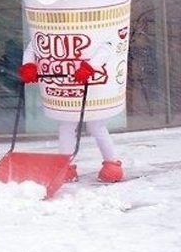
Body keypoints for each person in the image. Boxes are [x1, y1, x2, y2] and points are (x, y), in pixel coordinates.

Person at [18, 39, 124, 183]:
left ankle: (111, 164)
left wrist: (91, 66)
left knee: (95, 126)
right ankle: (66, 166)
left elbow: (107, 45)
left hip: (92, 86)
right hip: (67, 84)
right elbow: (34, 45)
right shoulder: (51, 28)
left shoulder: (91, 26)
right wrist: (29, 65)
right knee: (67, 126)